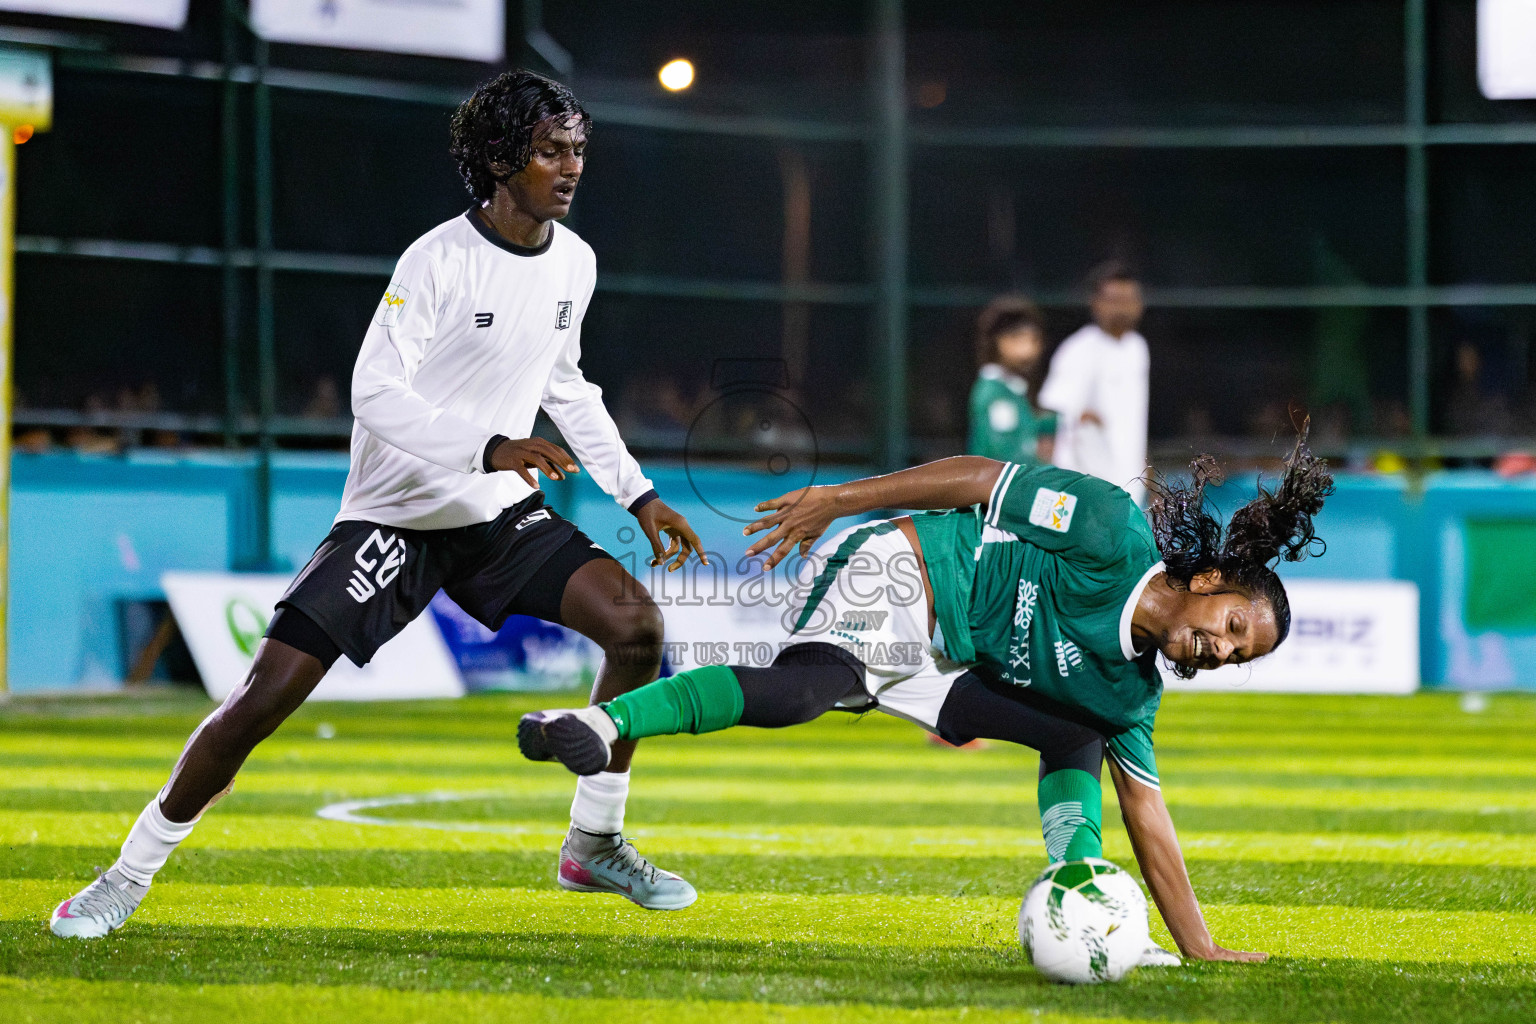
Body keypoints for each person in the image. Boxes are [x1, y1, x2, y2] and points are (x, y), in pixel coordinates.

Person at [49, 71, 709, 940]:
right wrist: (490, 446)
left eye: (579, 149)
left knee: (638, 629)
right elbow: (373, 392)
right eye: (551, 150)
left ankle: (595, 842)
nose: (571, 166)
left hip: (497, 515)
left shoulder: (575, 262)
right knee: (261, 698)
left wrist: (641, 491)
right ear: (504, 157)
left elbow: (565, 385)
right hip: (397, 518)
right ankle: (124, 875)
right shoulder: (437, 259)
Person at [521, 424, 1333, 964]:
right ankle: (601, 718)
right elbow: (978, 480)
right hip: (903, 567)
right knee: (809, 690)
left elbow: (1148, 816)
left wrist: (1200, 945)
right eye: (1231, 623)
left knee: (1076, 730)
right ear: (1211, 578)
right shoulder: (1109, 531)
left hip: (941, 659)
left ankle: (1084, 893)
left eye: (1235, 654)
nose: (1219, 649)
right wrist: (838, 499)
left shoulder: (1131, 693)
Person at [1039, 261, 1150, 504]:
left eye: (1129, 299)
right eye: (1115, 300)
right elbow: (1050, 419)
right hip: (1083, 491)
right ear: (1096, 303)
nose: (1123, 308)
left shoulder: (1138, 348)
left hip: (1128, 487)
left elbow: (1132, 426)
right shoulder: (1078, 349)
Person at [968, 296, 1055, 466]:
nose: (1027, 348)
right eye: (1017, 338)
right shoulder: (994, 393)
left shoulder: (1014, 390)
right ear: (996, 341)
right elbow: (1006, 455)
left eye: (1033, 339)